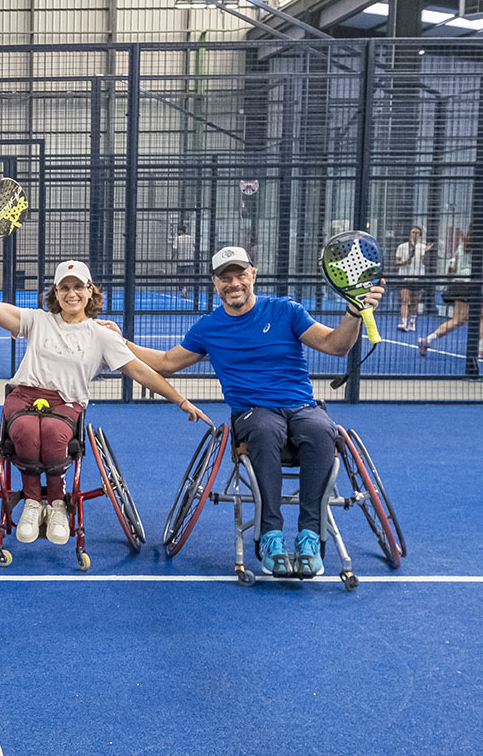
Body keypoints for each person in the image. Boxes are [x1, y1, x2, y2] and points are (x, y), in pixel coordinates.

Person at [116, 246, 385, 578]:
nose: (234, 283)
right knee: (264, 430)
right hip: (253, 412)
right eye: (225, 277)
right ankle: (269, 536)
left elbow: (336, 346)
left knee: (320, 430)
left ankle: (310, 537)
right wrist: (119, 342)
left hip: (301, 406)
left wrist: (354, 313)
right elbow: (166, 364)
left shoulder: (285, 311)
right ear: (215, 283)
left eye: (240, 275)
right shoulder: (209, 328)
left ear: (253, 275)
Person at [0, 243, 210, 546]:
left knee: (52, 432)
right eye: (64, 288)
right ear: (56, 293)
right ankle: (33, 504)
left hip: (66, 405)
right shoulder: (38, 321)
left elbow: (141, 371)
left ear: (90, 292)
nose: (71, 294)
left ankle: (58, 504)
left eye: (78, 287)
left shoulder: (102, 335)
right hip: (24, 397)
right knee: (23, 429)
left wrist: (180, 400)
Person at [420, 227, 477, 358]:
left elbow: (454, 267)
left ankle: (429, 340)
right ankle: (427, 340)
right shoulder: (477, 248)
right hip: (470, 285)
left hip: (459, 283)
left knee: (462, 320)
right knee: (461, 319)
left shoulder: (462, 247)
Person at [395, 224, 433, 332]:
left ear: (420, 235)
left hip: (418, 278)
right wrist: (404, 262)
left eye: (417, 233)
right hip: (405, 278)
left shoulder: (423, 247)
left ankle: (412, 323)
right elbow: (397, 262)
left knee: (414, 302)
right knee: (405, 300)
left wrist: (426, 254)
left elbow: (426, 263)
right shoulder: (402, 247)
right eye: (413, 232)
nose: (414, 234)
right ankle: (403, 322)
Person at [173, 224, 196, 299]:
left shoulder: (177, 238)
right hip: (190, 260)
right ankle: (184, 291)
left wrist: (172, 258)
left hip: (180, 260)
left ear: (179, 231)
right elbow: (194, 247)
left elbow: (175, 249)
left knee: (181, 276)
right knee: (187, 276)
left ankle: (183, 291)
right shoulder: (191, 238)